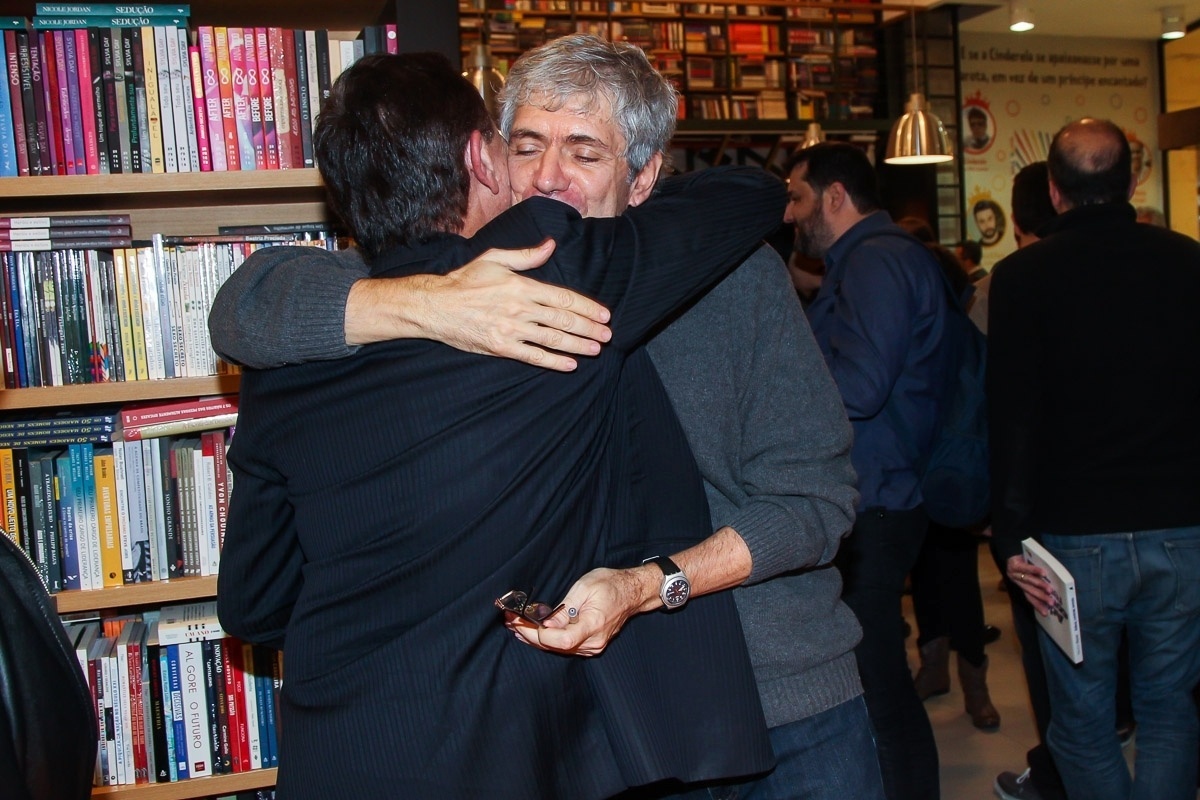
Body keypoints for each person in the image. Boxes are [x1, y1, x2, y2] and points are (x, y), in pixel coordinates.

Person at [212, 36, 880, 800]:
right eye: (527, 145)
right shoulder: (446, 287)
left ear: (646, 177)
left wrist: (650, 583)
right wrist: (424, 303)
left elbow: (815, 501)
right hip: (586, 727)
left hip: (776, 689)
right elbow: (247, 301)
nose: (549, 176)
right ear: (487, 160)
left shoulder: (730, 276)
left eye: (585, 150)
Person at [990, 117, 1200, 800]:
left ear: (1053, 192)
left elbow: (1012, 418)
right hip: (1182, 525)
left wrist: (1008, 537)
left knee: (1081, 725)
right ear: (1132, 183)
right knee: (1170, 711)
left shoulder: (1022, 278)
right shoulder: (1189, 262)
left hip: (1075, 537)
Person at [785, 142, 955, 800]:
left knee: (877, 686)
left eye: (798, 197)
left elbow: (860, 386)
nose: (792, 215)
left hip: (879, 501)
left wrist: (781, 377)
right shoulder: (867, 262)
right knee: (876, 678)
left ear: (835, 196)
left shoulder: (877, 264)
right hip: (881, 495)